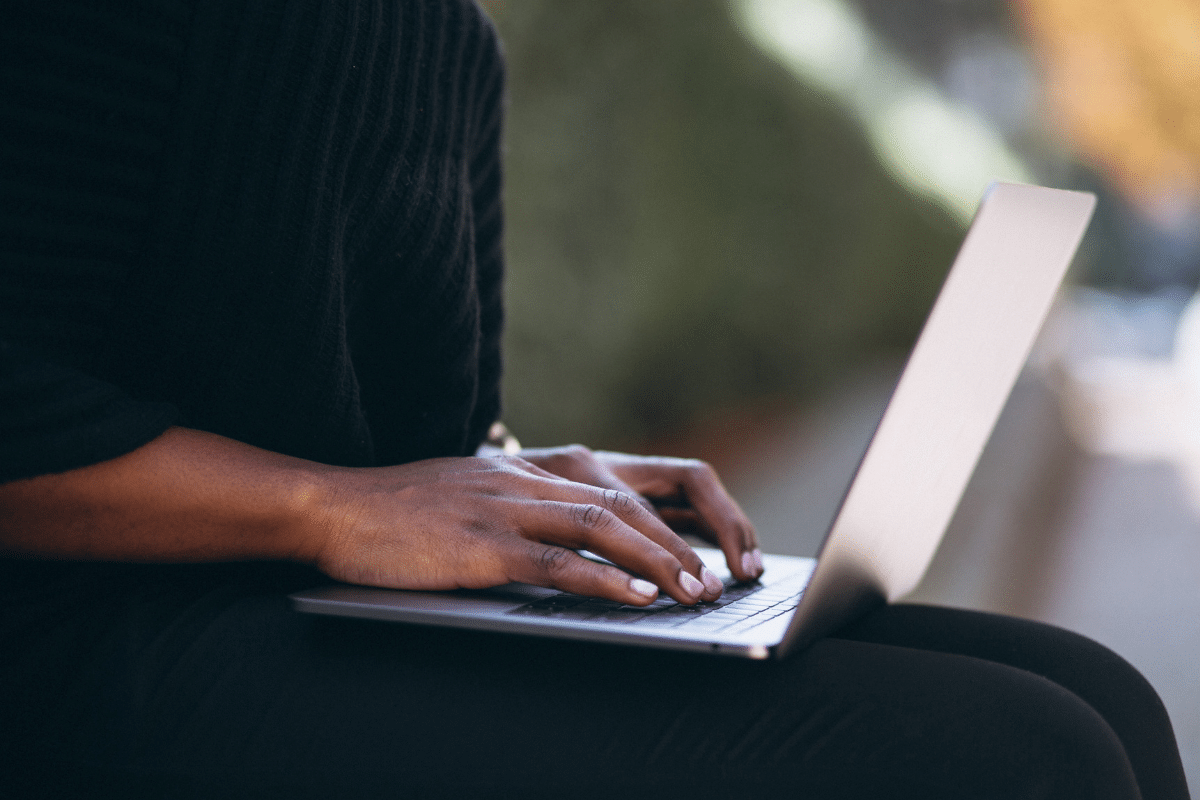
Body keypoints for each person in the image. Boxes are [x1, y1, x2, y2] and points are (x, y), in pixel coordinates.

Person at [0, 1, 1191, 797]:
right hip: (95, 640)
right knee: (1022, 755)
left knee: (1095, 689)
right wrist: (328, 507)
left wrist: (523, 477)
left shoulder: (447, 37)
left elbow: (392, 429)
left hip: (326, 601)